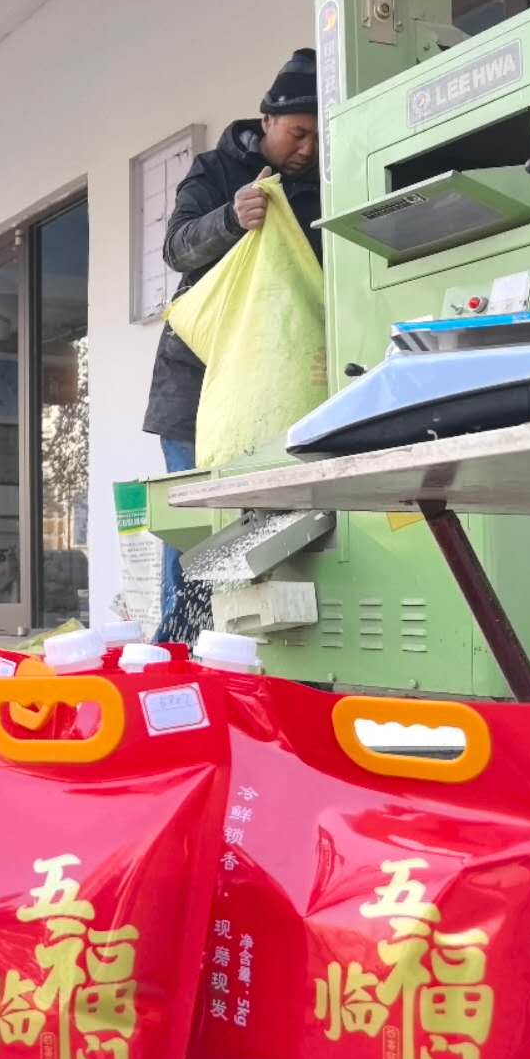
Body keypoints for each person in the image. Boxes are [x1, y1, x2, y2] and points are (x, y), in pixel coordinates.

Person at [142, 48, 322, 639]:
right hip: (195, 382)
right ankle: (181, 647)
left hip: (280, 384)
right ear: (267, 120)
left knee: (273, 524)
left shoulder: (326, 185)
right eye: (297, 134)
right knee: (196, 522)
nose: (307, 149)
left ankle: (251, 649)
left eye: (318, 137)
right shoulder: (215, 169)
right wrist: (229, 217)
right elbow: (176, 248)